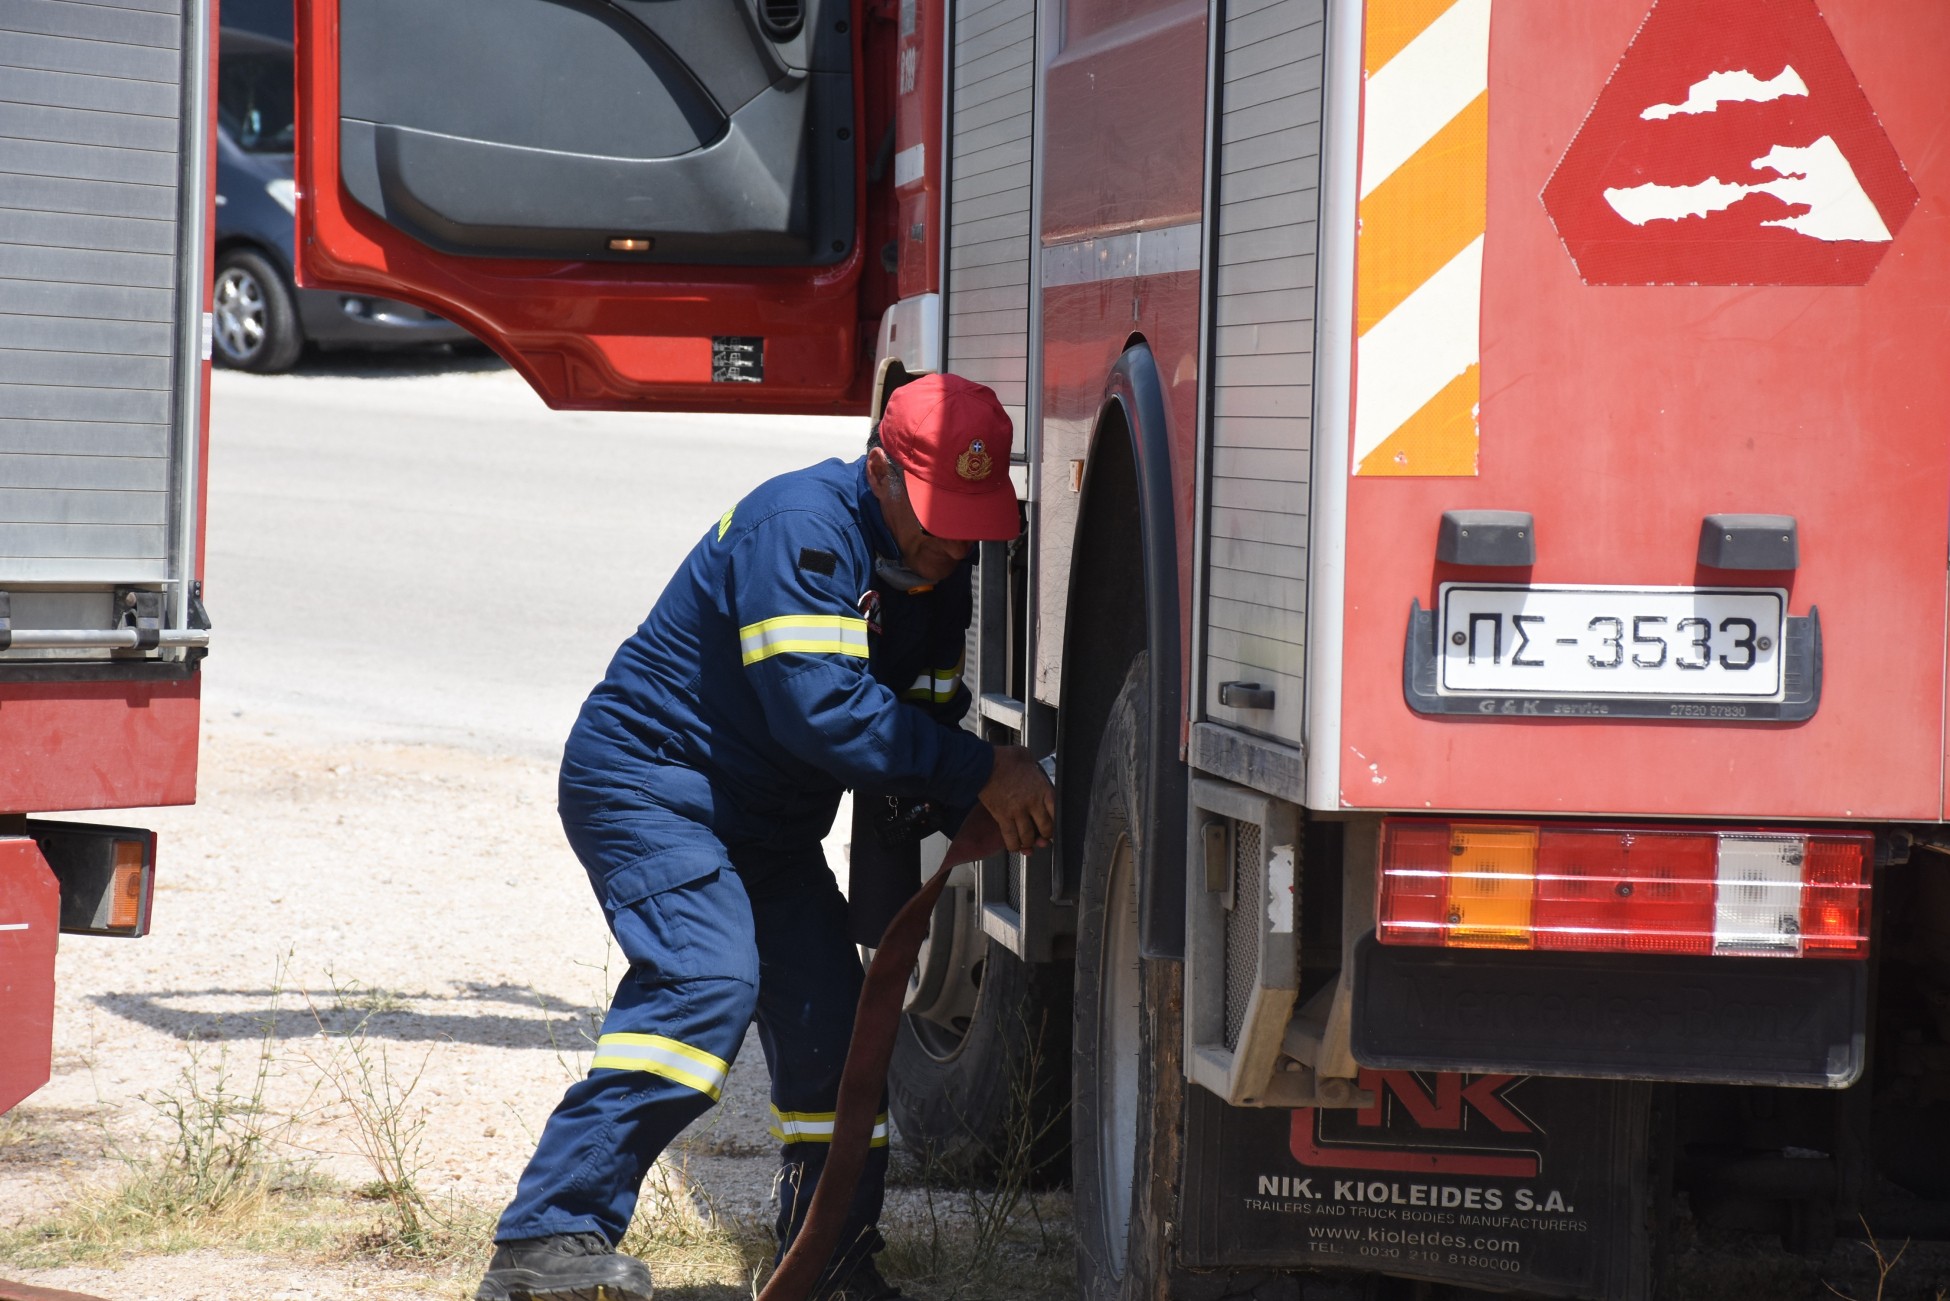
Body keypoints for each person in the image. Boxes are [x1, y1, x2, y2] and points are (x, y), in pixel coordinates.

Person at [476, 373, 1056, 1301]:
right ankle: (545, 1238)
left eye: (972, 523)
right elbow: (825, 714)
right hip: (653, 784)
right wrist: (982, 769)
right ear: (878, 471)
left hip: (766, 825)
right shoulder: (799, 527)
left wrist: (1000, 809)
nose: (955, 545)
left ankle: (828, 1259)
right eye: (939, 519)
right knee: (707, 981)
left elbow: (921, 731)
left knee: (838, 1025)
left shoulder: (939, 575)